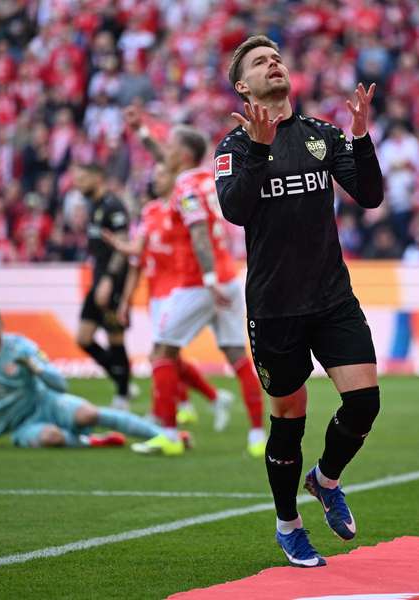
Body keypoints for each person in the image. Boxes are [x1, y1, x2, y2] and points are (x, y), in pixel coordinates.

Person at [216, 35, 384, 567]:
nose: (275, 65)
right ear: (244, 85)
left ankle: (326, 480)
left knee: (365, 403)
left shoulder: (321, 134)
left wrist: (360, 138)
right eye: (262, 62)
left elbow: (371, 195)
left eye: (277, 58)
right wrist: (261, 149)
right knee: (289, 421)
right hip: (274, 307)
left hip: (332, 297)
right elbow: (235, 210)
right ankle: (288, 523)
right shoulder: (233, 147)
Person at [109, 110, 266, 457]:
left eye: (169, 147)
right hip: (227, 276)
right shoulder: (208, 178)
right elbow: (168, 158)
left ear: (180, 156)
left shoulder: (184, 186)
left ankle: (167, 432)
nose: (163, 151)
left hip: (199, 281)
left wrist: (207, 279)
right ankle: (257, 435)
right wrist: (144, 134)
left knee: (162, 351)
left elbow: (198, 234)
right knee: (237, 355)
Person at [105, 161, 238, 449]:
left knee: (161, 353)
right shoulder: (149, 211)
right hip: (155, 291)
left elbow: (196, 239)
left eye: (162, 174)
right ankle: (199, 403)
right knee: (166, 355)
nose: (156, 179)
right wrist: (121, 250)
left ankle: (167, 420)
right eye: (154, 175)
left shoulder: (180, 208)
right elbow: (138, 255)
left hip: (177, 288)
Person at [0, 304, 188, 455]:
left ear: (2, 326)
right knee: (52, 438)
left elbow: (61, 385)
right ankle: (91, 441)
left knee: (89, 414)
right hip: (19, 426)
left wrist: (36, 368)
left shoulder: (22, 347)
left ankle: (164, 435)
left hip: (45, 401)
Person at [71, 163, 135, 410]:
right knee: (83, 338)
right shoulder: (94, 206)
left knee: (114, 336)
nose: (78, 183)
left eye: (83, 177)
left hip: (113, 279)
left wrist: (109, 278)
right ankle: (123, 380)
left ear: (98, 178)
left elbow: (123, 244)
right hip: (98, 278)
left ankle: (122, 395)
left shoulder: (113, 206)